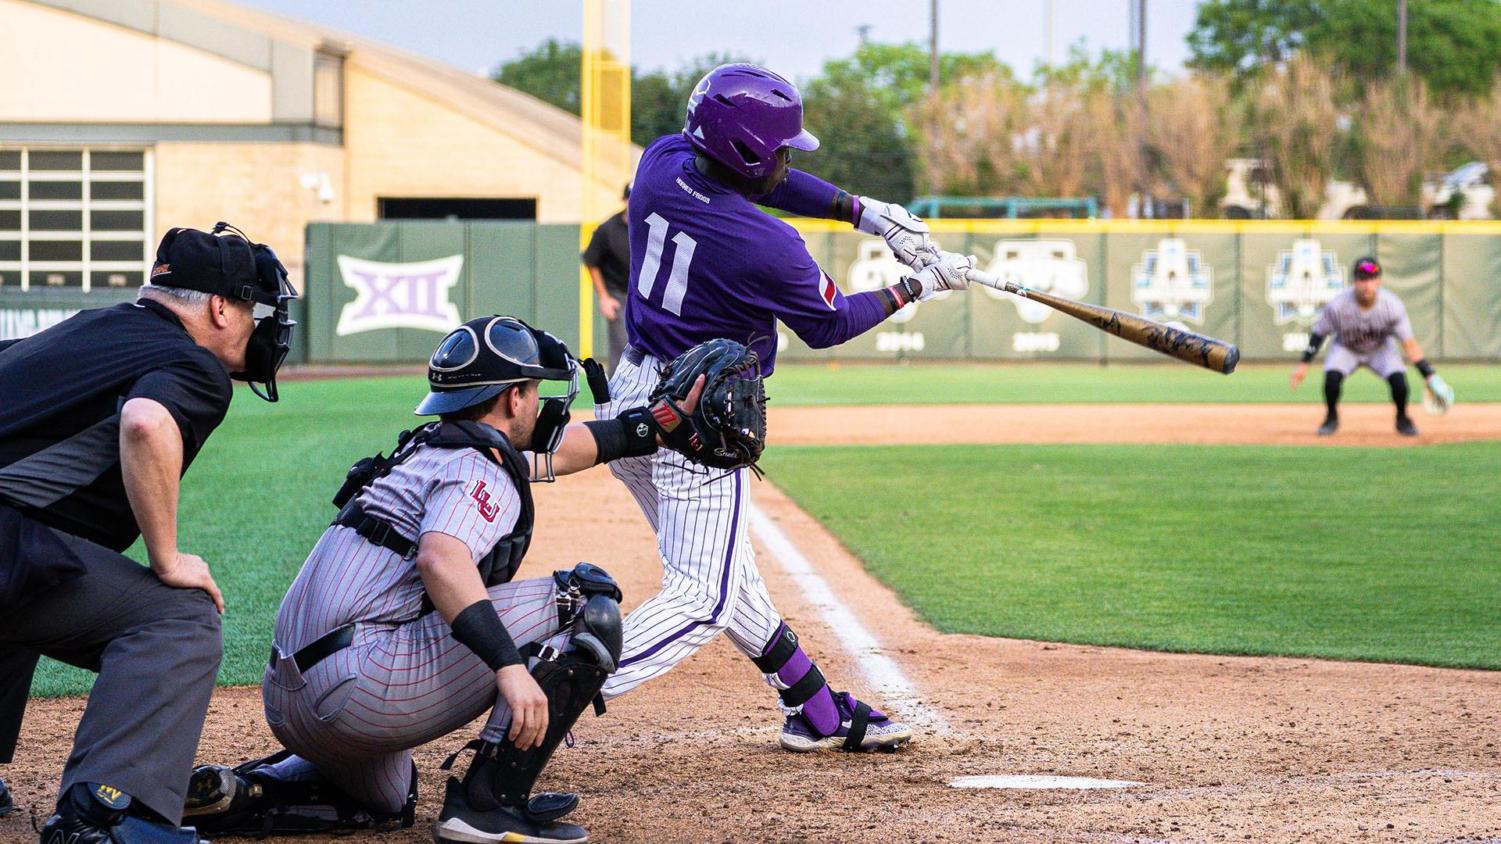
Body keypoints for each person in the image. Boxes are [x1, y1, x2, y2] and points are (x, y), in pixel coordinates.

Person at [183, 315, 707, 844]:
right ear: (511, 399)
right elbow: (441, 559)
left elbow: (559, 451)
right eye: (532, 389)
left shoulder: (431, 449)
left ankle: (246, 791)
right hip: (354, 690)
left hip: (290, 699)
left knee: (384, 800)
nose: (540, 402)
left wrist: (652, 428)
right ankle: (487, 807)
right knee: (584, 603)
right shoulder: (478, 469)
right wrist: (509, 666)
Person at [594, 63, 976, 752]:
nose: (785, 159)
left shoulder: (661, 160)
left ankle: (815, 709)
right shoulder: (769, 246)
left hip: (632, 399)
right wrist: (916, 286)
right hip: (697, 423)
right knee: (700, 598)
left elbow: (765, 182)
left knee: (725, 576)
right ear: (743, 153)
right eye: (776, 148)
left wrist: (865, 212)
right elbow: (829, 325)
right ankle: (541, 687)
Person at [0, 222, 297, 843]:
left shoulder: (88, 327)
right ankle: (110, 816)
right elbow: (144, 421)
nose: (257, 323)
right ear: (219, 307)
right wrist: (167, 557)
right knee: (177, 617)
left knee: (39, 562)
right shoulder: (193, 363)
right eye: (250, 308)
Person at [1290, 256, 1450, 436]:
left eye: (1372, 279)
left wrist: (1429, 374)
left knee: (1399, 381)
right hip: (1346, 347)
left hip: (1380, 348)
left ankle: (1402, 418)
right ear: (1354, 281)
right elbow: (1319, 334)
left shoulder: (1392, 305)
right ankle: (1331, 417)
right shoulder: (1338, 305)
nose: (1367, 284)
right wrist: (1304, 364)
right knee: (1332, 378)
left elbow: (1409, 344)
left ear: (1379, 281)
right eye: (1362, 278)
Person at [581, 185, 632, 372]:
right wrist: (604, 297)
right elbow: (591, 260)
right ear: (625, 200)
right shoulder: (608, 228)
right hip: (618, 294)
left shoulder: (648, 223)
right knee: (623, 346)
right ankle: (617, 395)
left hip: (643, 297)